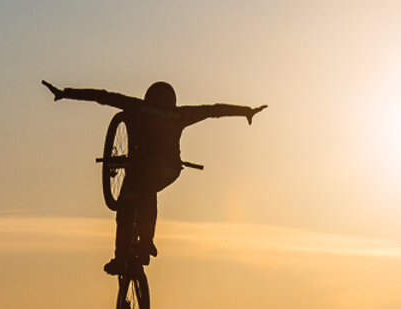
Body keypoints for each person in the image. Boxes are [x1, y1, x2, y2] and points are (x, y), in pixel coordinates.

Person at [43, 79, 264, 273]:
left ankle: (122, 258)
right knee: (148, 191)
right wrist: (246, 111)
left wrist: (65, 93)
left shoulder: (137, 108)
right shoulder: (180, 114)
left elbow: (102, 96)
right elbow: (213, 110)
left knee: (126, 206)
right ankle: (147, 242)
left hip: (142, 168)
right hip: (169, 171)